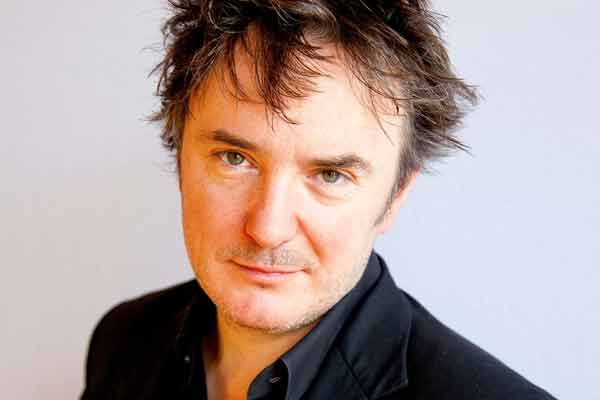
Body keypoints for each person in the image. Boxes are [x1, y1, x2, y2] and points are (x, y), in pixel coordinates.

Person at [80, 1, 557, 399]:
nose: (268, 229)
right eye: (234, 158)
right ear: (180, 156)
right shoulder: (122, 341)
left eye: (330, 175)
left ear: (395, 197)